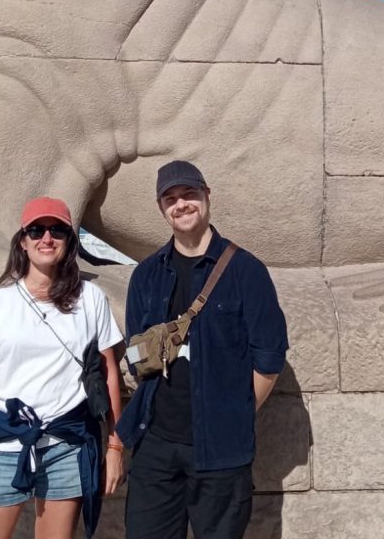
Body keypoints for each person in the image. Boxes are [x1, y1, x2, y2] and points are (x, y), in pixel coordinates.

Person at [117, 161, 288, 539]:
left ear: (206, 195)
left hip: (220, 448)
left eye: (189, 194)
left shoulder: (247, 271)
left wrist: (233, 414)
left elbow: (269, 359)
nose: (181, 204)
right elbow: (136, 349)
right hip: (156, 445)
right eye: (171, 198)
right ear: (162, 207)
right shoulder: (146, 275)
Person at [0, 197, 126, 539]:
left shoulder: (89, 299)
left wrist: (115, 447)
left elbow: (109, 374)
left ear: (69, 241)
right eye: (36, 230)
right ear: (23, 241)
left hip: (67, 443)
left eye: (57, 231)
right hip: (5, 445)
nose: (46, 239)